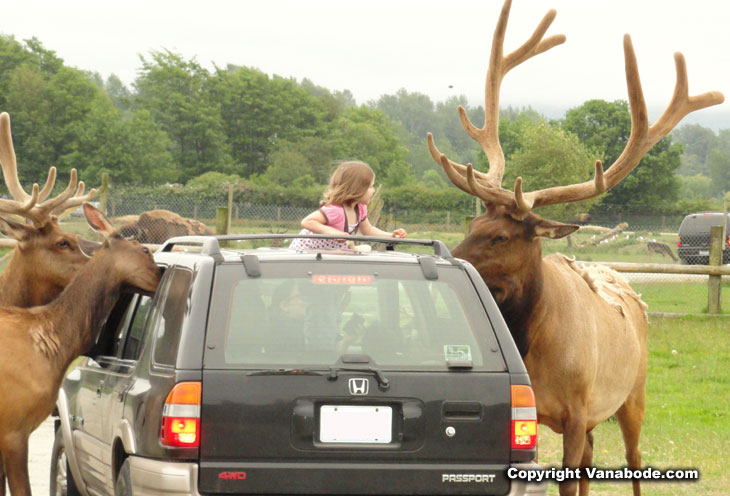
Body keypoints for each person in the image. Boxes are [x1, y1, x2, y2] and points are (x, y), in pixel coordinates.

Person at [289, 161, 406, 251]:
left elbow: (368, 230)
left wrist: (391, 235)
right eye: (370, 186)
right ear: (357, 188)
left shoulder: (360, 209)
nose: (374, 190)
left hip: (328, 255)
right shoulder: (335, 210)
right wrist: (333, 233)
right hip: (305, 254)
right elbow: (307, 222)